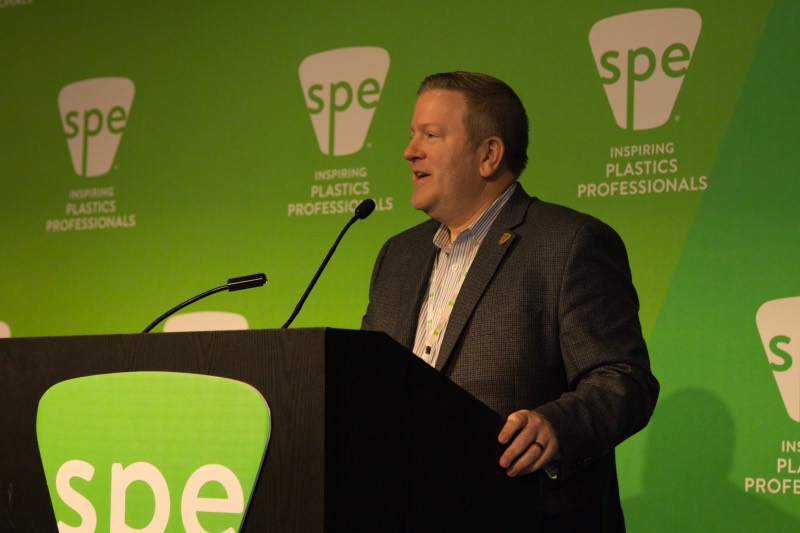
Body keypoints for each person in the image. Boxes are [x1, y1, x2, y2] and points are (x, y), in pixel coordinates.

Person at [361, 71, 659, 532]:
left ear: (488, 155)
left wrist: (556, 426)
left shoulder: (569, 243)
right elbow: (368, 383)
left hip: (523, 512)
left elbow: (624, 378)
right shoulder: (397, 256)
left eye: (431, 135)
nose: (410, 150)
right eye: (412, 134)